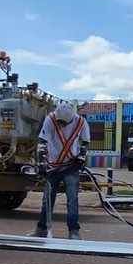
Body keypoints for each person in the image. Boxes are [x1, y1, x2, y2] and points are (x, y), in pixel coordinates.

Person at [32, 100, 91, 239]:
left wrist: (81, 158)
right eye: (60, 122)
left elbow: (86, 142)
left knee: (72, 199)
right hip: (52, 165)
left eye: (64, 123)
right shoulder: (51, 119)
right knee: (47, 199)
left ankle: (74, 231)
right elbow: (42, 142)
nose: (61, 125)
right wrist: (40, 164)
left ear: (71, 118)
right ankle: (42, 230)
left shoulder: (81, 122)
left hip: (70, 166)